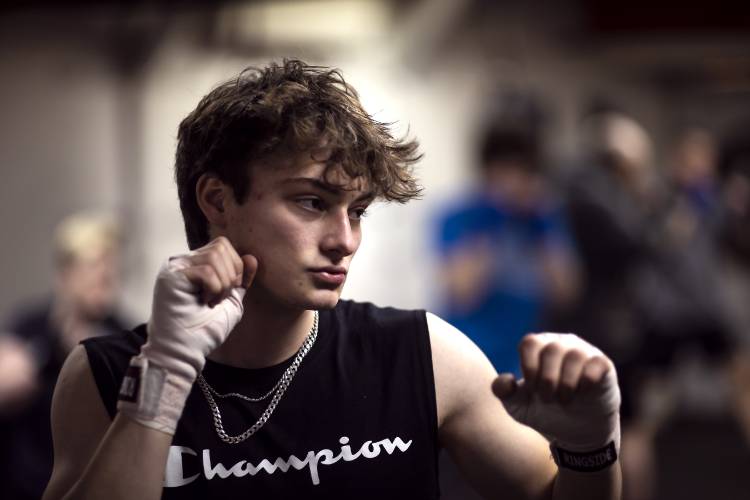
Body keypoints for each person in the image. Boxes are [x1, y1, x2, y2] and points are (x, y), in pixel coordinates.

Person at [42, 60, 621, 500]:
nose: (345, 239)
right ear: (217, 199)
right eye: (312, 202)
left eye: (358, 211)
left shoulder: (424, 354)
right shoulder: (104, 375)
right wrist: (165, 377)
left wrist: (589, 449)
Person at [434, 119, 579, 375]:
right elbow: (461, 292)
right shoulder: (461, 215)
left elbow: (566, 294)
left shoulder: (541, 219)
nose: (517, 181)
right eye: (507, 169)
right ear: (488, 169)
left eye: (525, 172)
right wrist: (491, 223)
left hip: (522, 363)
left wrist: (544, 232)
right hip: (465, 359)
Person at [0, 212, 128, 500]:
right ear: (65, 274)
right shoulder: (30, 326)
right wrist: (44, 354)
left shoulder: (124, 335)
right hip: (26, 487)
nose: (105, 274)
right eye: (94, 264)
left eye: (111, 263)